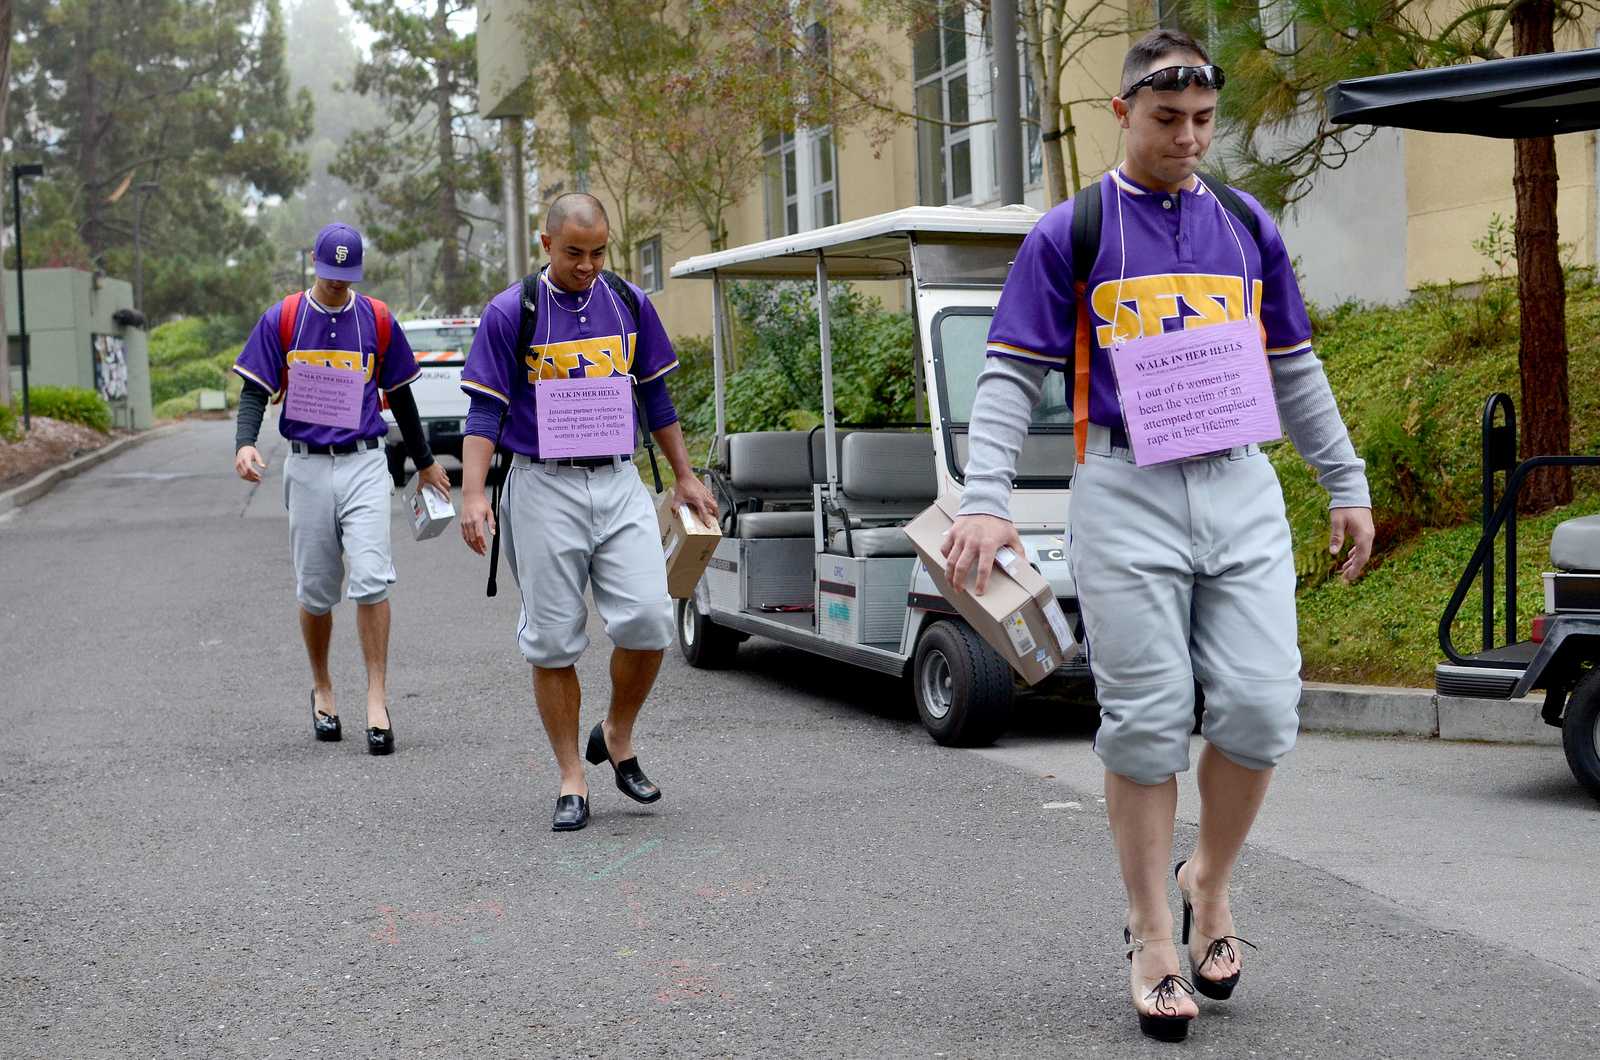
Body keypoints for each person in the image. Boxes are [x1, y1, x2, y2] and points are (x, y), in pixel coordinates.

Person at [942, 29, 1375, 1043]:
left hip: (1237, 484)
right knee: (1144, 720)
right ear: (1123, 113)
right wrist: (983, 496)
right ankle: (1150, 935)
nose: (1187, 138)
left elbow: (1295, 368)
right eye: (1166, 120)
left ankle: (1207, 882)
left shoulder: (1243, 222)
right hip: (1125, 485)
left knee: (1263, 707)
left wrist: (1343, 481)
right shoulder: (1073, 232)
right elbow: (1009, 373)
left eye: (1201, 121)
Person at [458, 192, 719, 833]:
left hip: (617, 478)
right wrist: (471, 492)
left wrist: (684, 476)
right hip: (542, 486)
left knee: (651, 617)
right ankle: (572, 776)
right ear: (546, 245)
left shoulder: (629, 303)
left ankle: (617, 732)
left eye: (599, 251)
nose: (588, 264)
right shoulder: (510, 312)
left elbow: (654, 395)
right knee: (553, 639)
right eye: (575, 252)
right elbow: (485, 410)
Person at [232, 222, 449, 755]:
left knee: (373, 579)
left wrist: (424, 464)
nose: (336, 285)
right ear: (314, 263)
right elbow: (254, 389)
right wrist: (244, 443)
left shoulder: (376, 318)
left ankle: (377, 696)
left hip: (364, 463)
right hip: (306, 467)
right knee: (316, 590)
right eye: (329, 276)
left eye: (345, 278)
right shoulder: (283, 317)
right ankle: (323, 687)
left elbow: (401, 397)